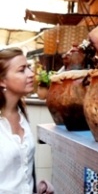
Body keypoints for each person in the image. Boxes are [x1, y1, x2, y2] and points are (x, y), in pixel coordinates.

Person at [0, 47, 54, 194]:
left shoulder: (22, 116)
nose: (31, 74)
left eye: (29, 67)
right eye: (22, 70)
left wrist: (36, 187)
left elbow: (16, 174)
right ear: (2, 81)